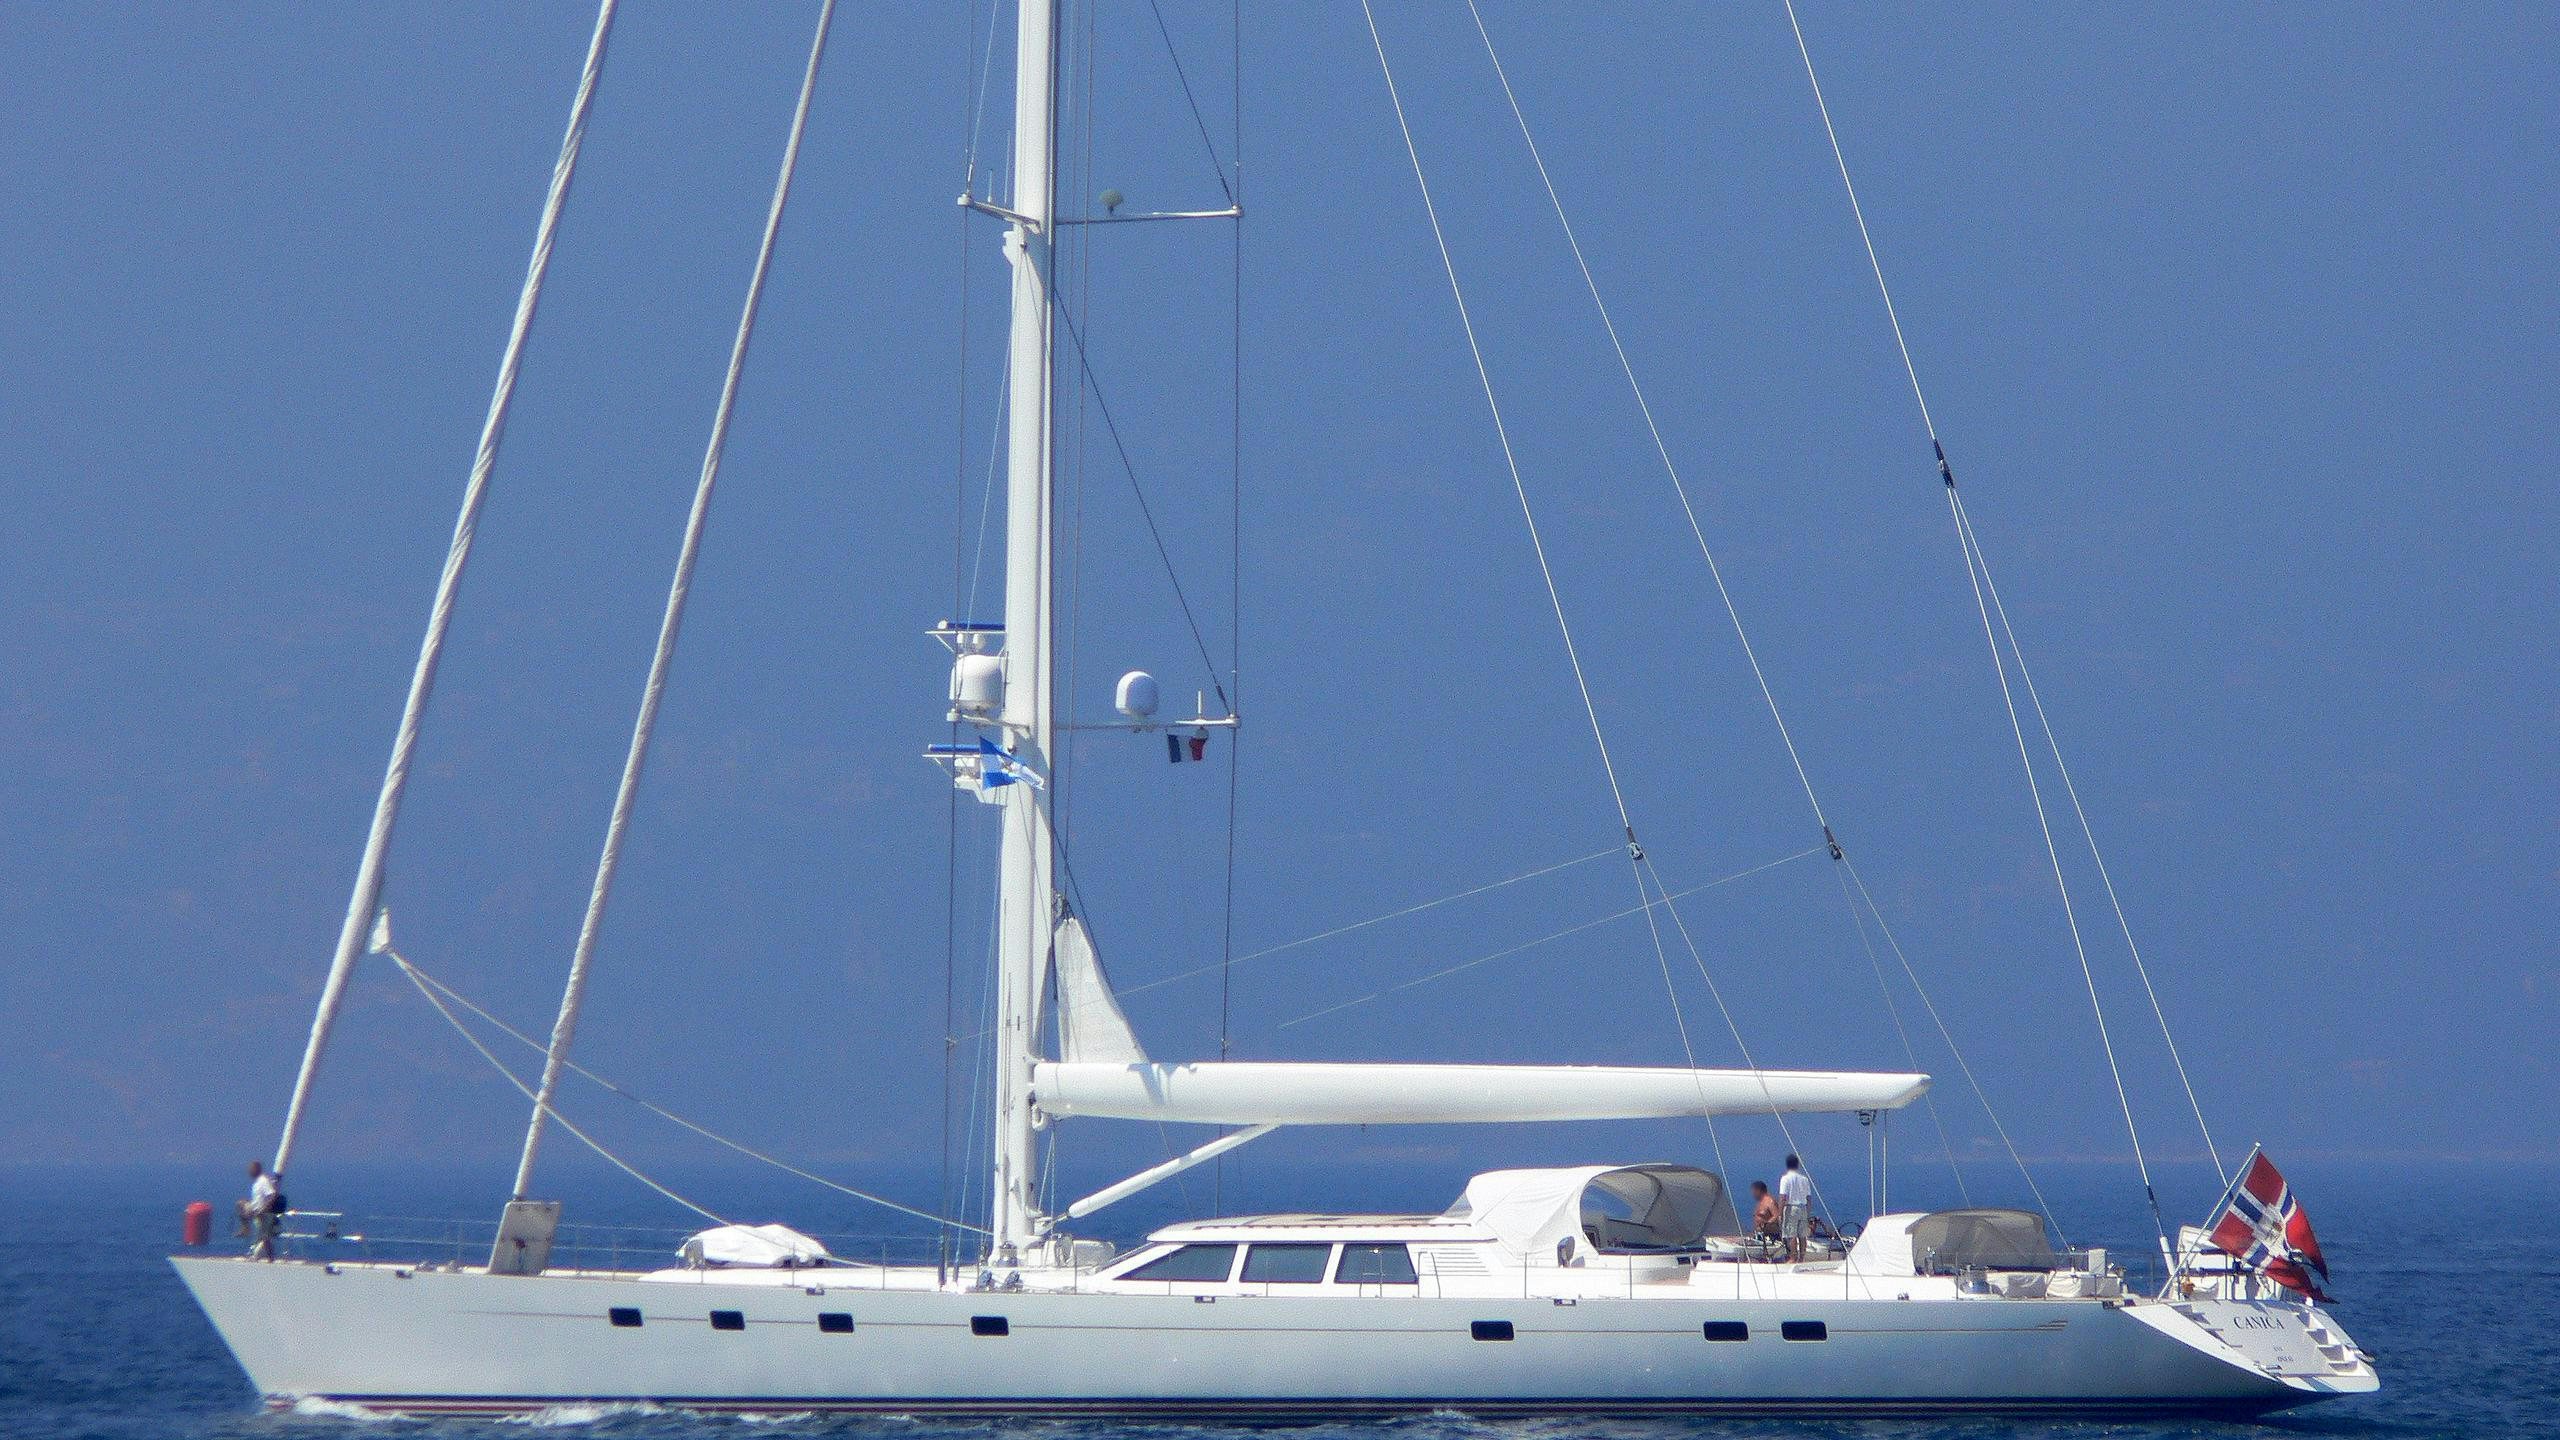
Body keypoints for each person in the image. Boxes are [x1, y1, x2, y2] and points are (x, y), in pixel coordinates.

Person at [238, 1159, 282, 1259]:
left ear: (257, 1169)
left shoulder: (263, 1181)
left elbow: (272, 1194)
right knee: (240, 1204)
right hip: (255, 1208)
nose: (250, 1172)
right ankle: (245, 1229)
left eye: (251, 1169)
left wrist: (265, 1209)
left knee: (264, 1236)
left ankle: (271, 1257)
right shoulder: (257, 1182)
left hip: (262, 1211)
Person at [1777, 1154, 1814, 1262]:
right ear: (1797, 1165)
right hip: (1803, 1207)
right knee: (1802, 1235)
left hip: (1791, 1207)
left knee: (1791, 1234)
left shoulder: (1785, 1179)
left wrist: (1780, 1214)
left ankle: (1793, 1257)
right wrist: (1808, 1212)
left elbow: (1783, 1197)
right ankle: (1801, 1258)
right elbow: (1809, 1198)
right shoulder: (1804, 1179)